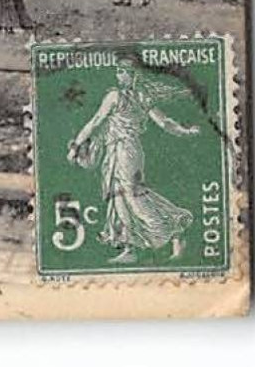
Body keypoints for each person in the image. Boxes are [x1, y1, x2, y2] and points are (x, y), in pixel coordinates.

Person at [67, 57, 200, 263]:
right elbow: (97, 122)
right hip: (117, 150)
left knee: (132, 196)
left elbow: (162, 122)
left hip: (126, 150)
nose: (120, 75)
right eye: (118, 71)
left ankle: (174, 229)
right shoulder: (130, 95)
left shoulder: (124, 96)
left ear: (134, 75)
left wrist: (185, 131)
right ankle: (131, 248)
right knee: (117, 197)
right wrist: (77, 144)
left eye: (124, 72)